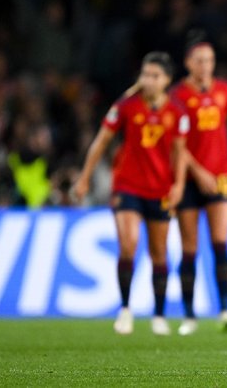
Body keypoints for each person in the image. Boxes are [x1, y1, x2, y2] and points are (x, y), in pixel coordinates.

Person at [72, 52, 188, 336]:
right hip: (127, 186)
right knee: (129, 244)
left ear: (167, 80)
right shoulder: (125, 106)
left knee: (159, 253)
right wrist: (84, 177)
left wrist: (179, 185)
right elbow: (102, 140)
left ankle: (159, 315)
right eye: (145, 74)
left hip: (160, 188)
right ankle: (125, 310)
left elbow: (180, 153)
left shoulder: (178, 112)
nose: (148, 80)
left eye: (155, 76)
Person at [169, 40, 227, 335]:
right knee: (189, 248)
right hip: (188, 180)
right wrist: (198, 173)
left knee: (220, 243)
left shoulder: (225, 91)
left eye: (209, 60)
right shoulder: (176, 96)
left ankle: (224, 309)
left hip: (220, 176)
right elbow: (176, 145)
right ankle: (189, 315)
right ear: (188, 63)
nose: (204, 66)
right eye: (199, 60)